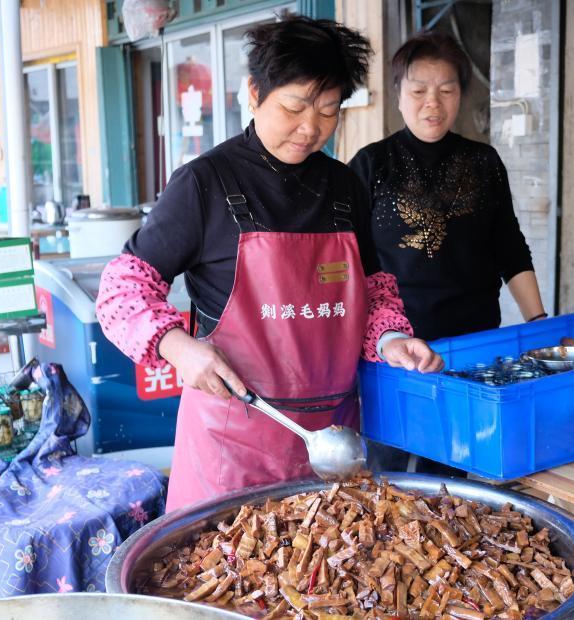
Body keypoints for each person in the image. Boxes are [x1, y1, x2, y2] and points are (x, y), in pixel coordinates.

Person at [96, 16, 443, 512]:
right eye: (295, 107)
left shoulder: (345, 188)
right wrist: (176, 347)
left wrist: (391, 341)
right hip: (230, 450)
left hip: (332, 448)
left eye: (328, 111)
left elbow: (374, 292)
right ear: (254, 93)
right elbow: (122, 289)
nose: (310, 129)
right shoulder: (204, 183)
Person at [349, 32, 545, 474]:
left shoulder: (484, 162)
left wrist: (537, 323)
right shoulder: (370, 165)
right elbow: (350, 264)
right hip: (393, 350)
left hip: (471, 346)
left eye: (447, 90)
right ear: (398, 95)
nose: (432, 103)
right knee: (391, 473)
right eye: (418, 90)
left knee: (454, 468)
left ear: (460, 96)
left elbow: (509, 246)